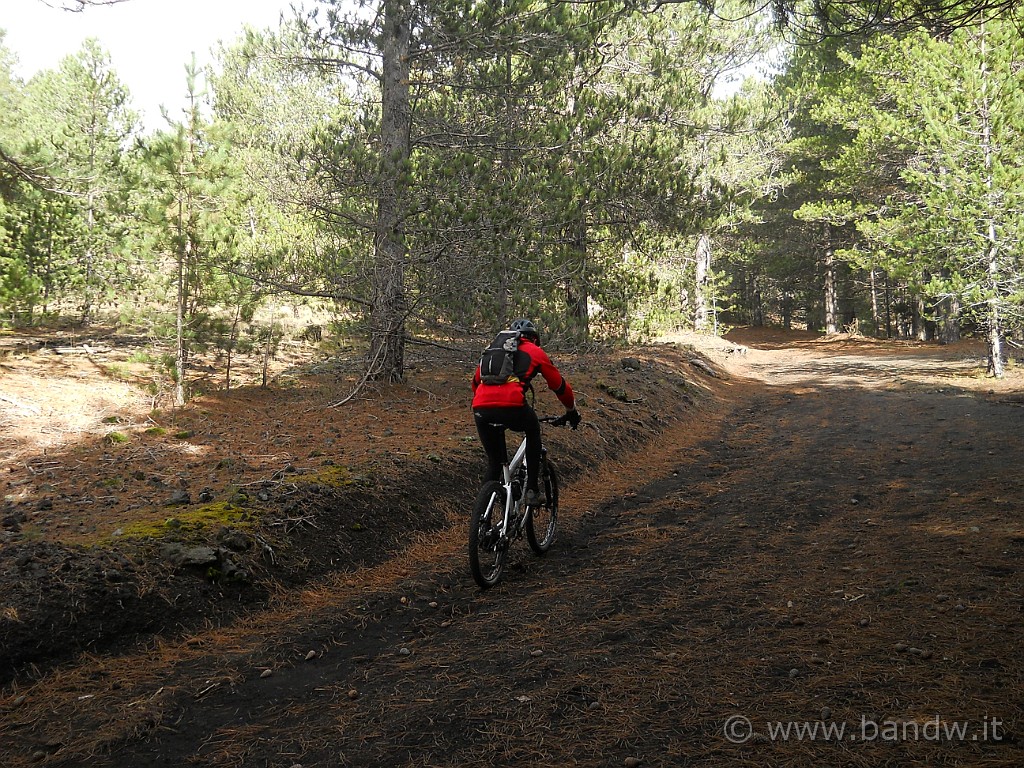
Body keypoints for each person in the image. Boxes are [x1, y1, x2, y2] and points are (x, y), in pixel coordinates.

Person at [471, 318, 581, 506]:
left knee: (494, 462)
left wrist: (491, 402)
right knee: (532, 430)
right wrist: (571, 411)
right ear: (534, 339)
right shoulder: (535, 351)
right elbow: (560, 387)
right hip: (512, 407)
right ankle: (532, 490)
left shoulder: (494, 350)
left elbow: (475, 383)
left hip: (481, 408)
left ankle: (482, 516)